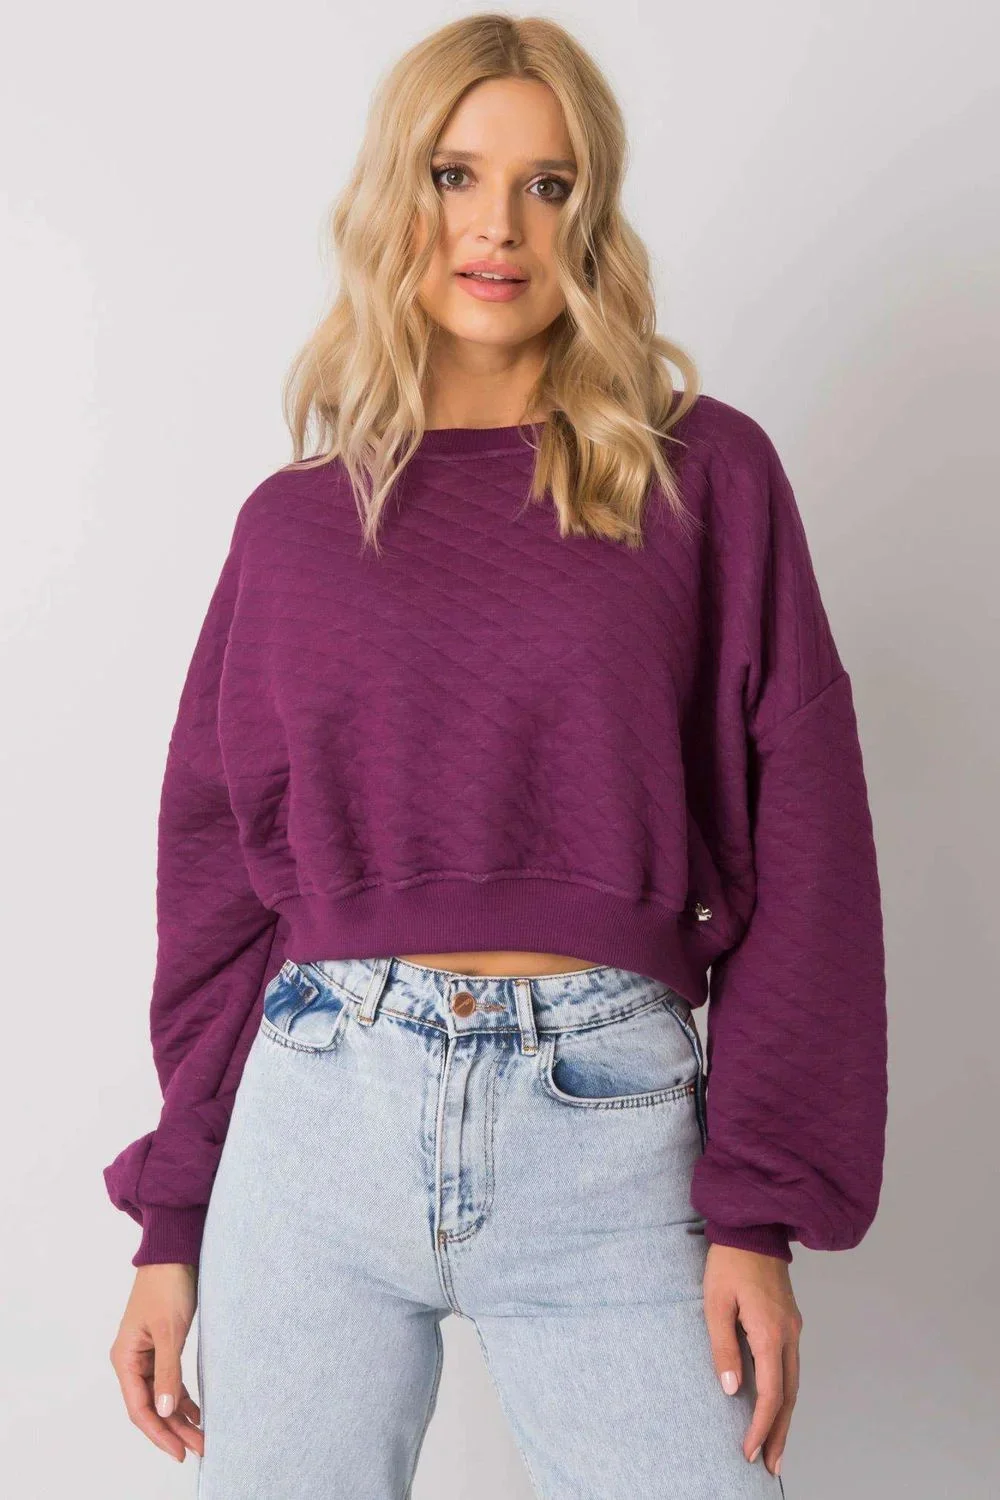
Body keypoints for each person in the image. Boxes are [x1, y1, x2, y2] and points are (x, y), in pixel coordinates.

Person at [104, 14, 887, 1498]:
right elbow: (218, 894)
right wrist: (174, 1217)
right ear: (394, 192)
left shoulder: (701, 475)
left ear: (591, 213)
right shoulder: (293, 525)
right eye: (456, 174)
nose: (498, 227)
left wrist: (758, 1208)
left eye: (549, 184)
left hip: (611, 1131)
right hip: (316, 1116)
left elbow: (808, 843)